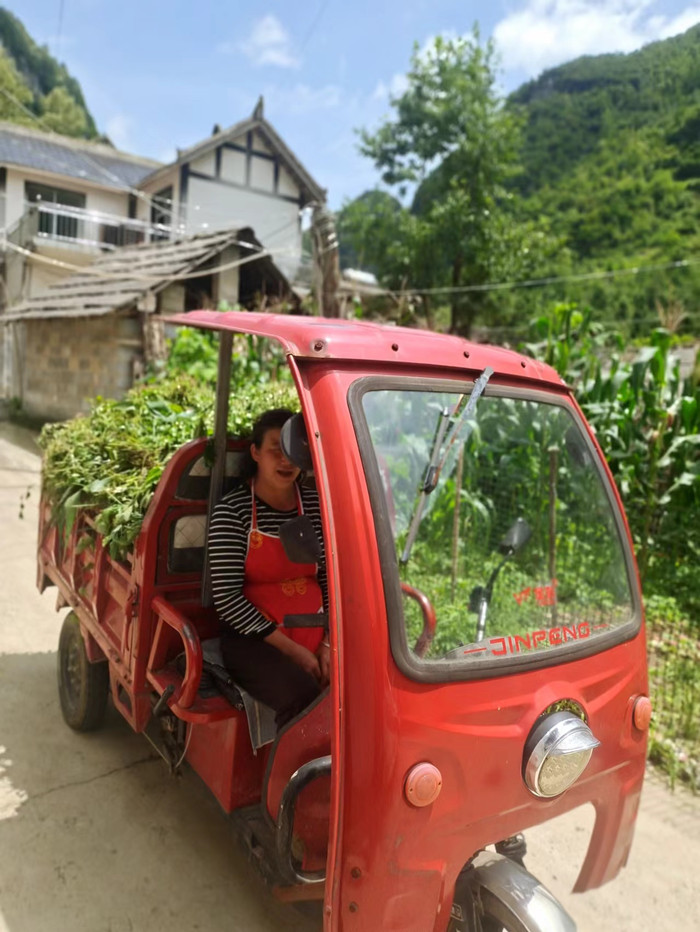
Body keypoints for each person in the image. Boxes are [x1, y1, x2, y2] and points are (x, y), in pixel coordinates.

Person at [208, 408, 329, 729]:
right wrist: (295, 652)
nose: (286, 459)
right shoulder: (232, 512)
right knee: (303, 697)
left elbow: (331, 579)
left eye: (293, 449)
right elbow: (228, 600)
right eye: (276, 449)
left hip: (317, 631)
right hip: (255, 641)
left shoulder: (316, 505)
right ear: (255, 453)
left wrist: (329, 643)